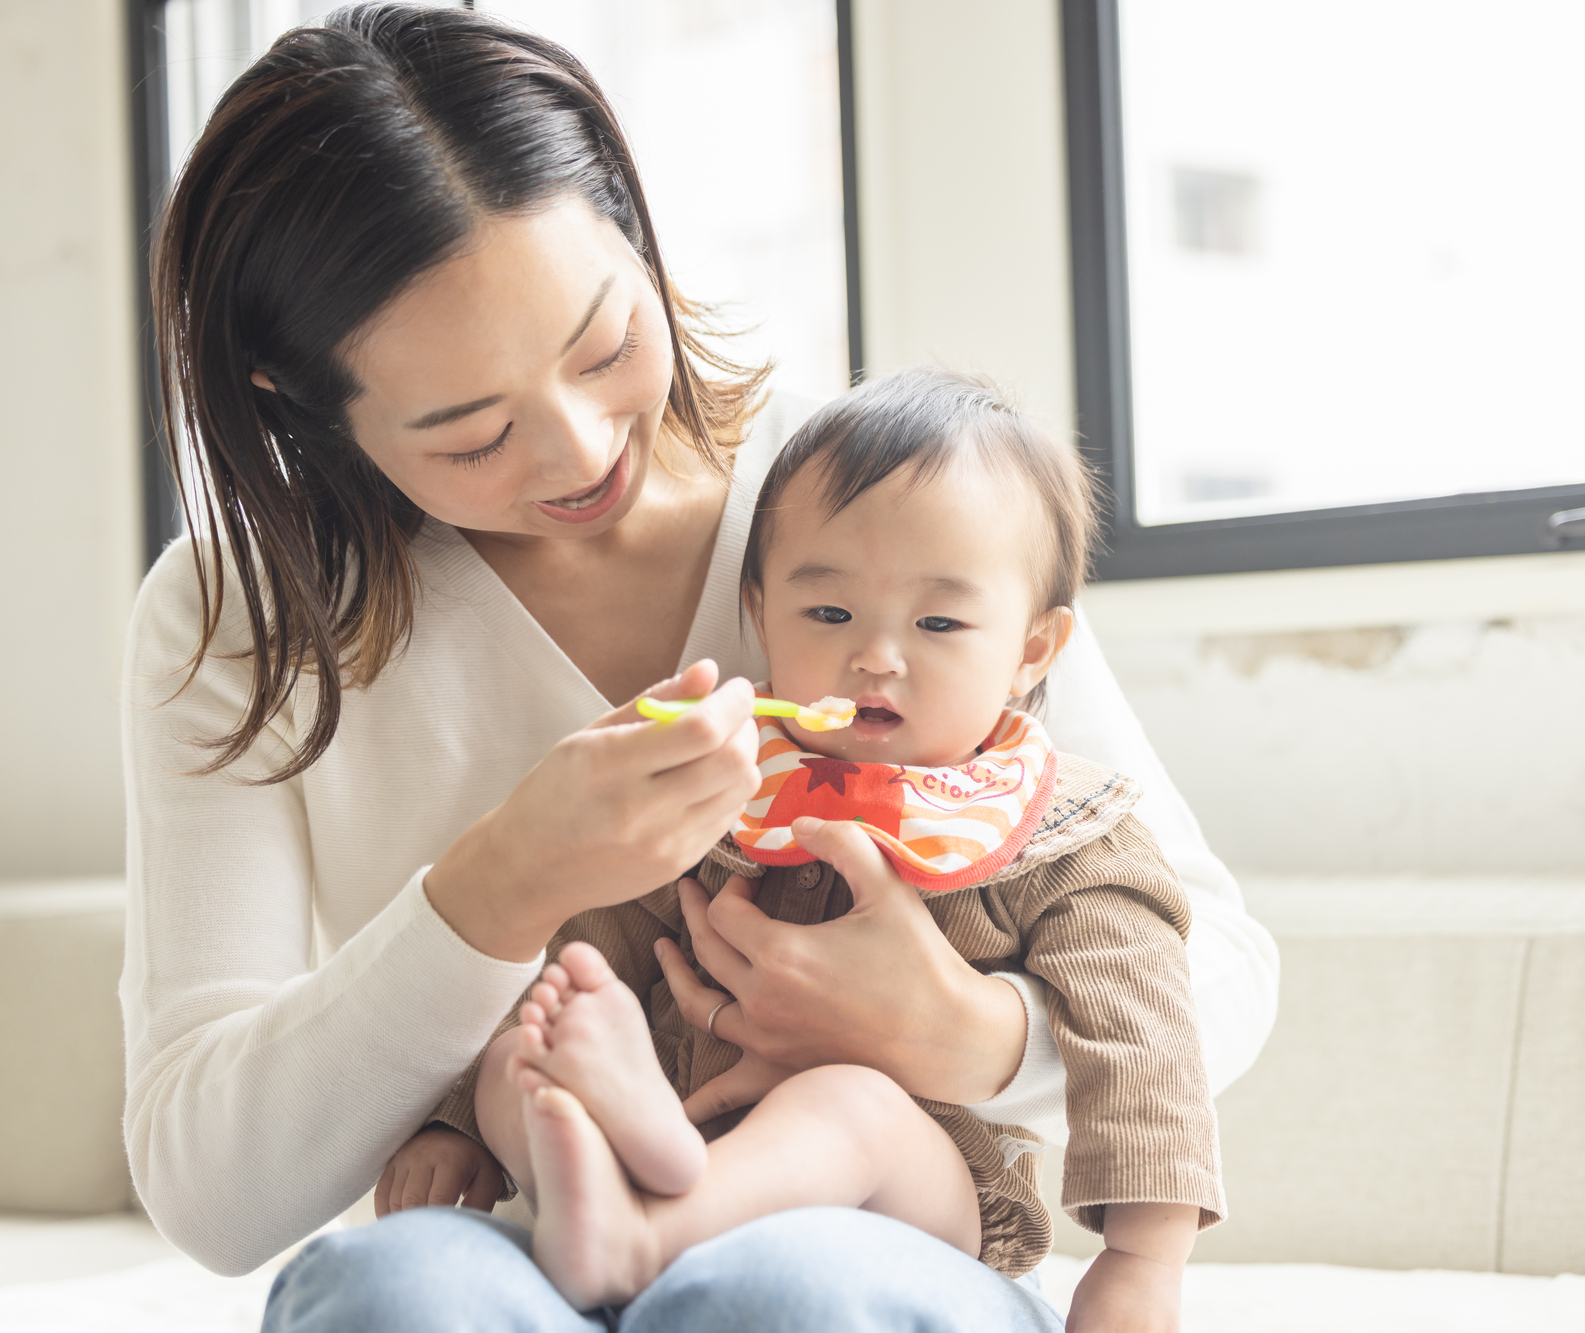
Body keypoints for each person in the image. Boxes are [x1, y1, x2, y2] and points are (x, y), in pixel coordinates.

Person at [120, 5, 1276, 1330]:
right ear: (296, 400)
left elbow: (1215, 963)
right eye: (471, 432)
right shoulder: (238, 625)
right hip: (531, 1227)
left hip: (875, 1226)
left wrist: (965, 1031)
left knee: (777, 1291)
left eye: (606, 345)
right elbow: (211, 1193)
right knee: (391, 1296)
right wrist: (503, 885)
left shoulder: (872, 514)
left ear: (633, 223)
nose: (576, 453)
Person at [389, 368, 1222, 1328]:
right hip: (683, 1126)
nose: (876, 654)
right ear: (758, 611)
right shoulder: (723, 784)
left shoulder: (1065, 832)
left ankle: (647, 1235)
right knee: (536, 1035)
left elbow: (1146, 1048)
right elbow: (594, 927)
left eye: (939, 623)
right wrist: (463, 1113)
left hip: (911, 1196)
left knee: (849, 1102)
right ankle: (612, 1176)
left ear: (1035, 650)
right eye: (829, 614)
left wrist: (1143, 1261)